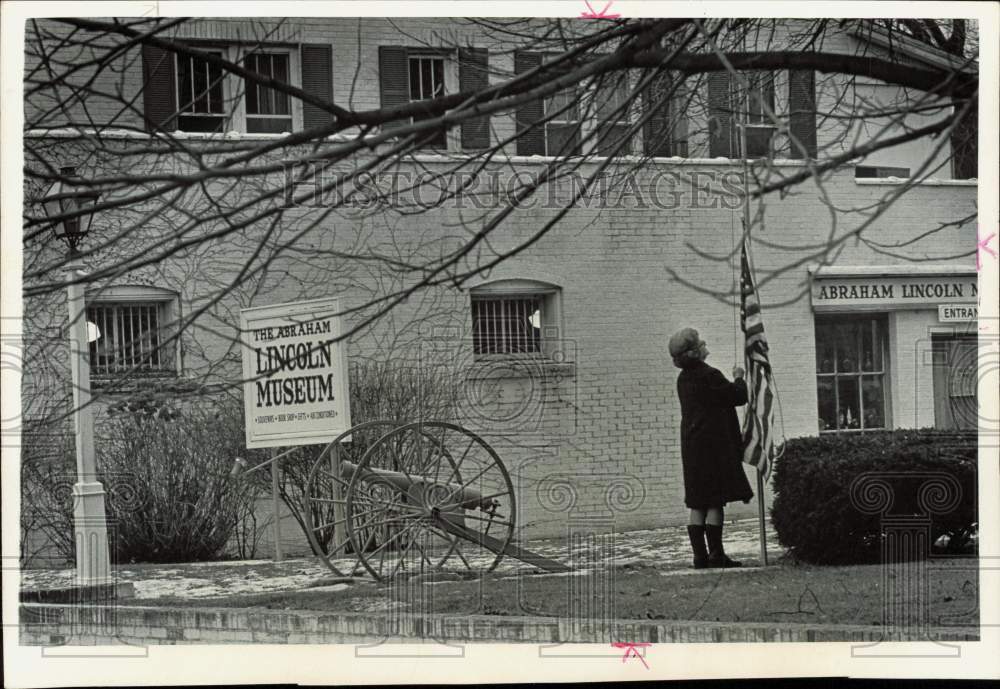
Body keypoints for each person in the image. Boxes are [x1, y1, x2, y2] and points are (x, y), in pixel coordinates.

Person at [669, 327, 753, 568]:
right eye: (701, 343)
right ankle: (716, 555)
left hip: (692, 447)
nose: (705, 344)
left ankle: (699, 557)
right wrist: (739, 377)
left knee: (697, 503)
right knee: (715, 502)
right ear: (695, 351)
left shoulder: (683, 379)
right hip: (712, 448)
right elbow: (736, 396)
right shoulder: (710, 375)